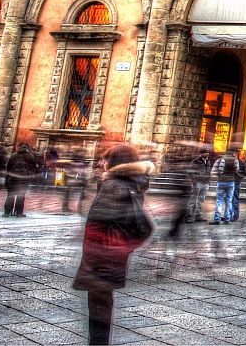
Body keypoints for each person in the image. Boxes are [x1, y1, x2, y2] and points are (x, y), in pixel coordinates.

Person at [73, 143, 155, 345]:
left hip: (100, 257)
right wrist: (124, 248)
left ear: (115, 162)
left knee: (99, 305)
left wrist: (115, 248)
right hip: (111, 256)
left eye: (105, 158)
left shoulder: (114, 186)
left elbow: (99, 223)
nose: (101, 162)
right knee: (102, 303)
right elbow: (139, 227)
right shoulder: (129, 184)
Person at [3, 143, 38, 217]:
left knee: (10, 196)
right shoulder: (30, 156)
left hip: (12, 179)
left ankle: (7, 212)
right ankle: (18, 213)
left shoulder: (13, 155)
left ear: (19, 147)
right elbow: (34, 168)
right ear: (27, 148)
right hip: (23, 179)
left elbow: (8, 167)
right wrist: (29, 176)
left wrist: (8, 178)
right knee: (21, 196)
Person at [210, 149, 241, 224]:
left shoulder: (220, 160)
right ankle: (227, 219)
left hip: (221, 182)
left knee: (219, 201)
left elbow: (213, 172)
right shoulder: (235, 160)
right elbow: (237, 171)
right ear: (232, 153)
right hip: (231, 182)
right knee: (229, 201)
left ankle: (217, 219)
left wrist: (219, 174)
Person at [186, 147, 211, 221]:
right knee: (193, 199)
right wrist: (194, 182)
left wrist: (209, 181)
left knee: (201, 200)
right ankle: (189, 216)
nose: (207, 154)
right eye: (205, 152)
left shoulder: (208, 161)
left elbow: (208, 171)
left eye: (208, 152)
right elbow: (190, 172)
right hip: (198, 183)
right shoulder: (195, 161)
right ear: (201, 154)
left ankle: (198, 216)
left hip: (205, 183)